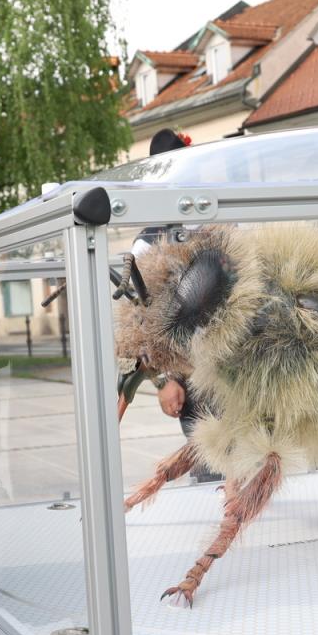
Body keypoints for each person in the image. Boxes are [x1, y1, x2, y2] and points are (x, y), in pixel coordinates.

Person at [132, 128, 222, 484]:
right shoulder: (147, 243)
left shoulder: (221, 226)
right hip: (191, 375)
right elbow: (140, 322)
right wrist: (163, 381)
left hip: (239, 366)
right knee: (211, 470)